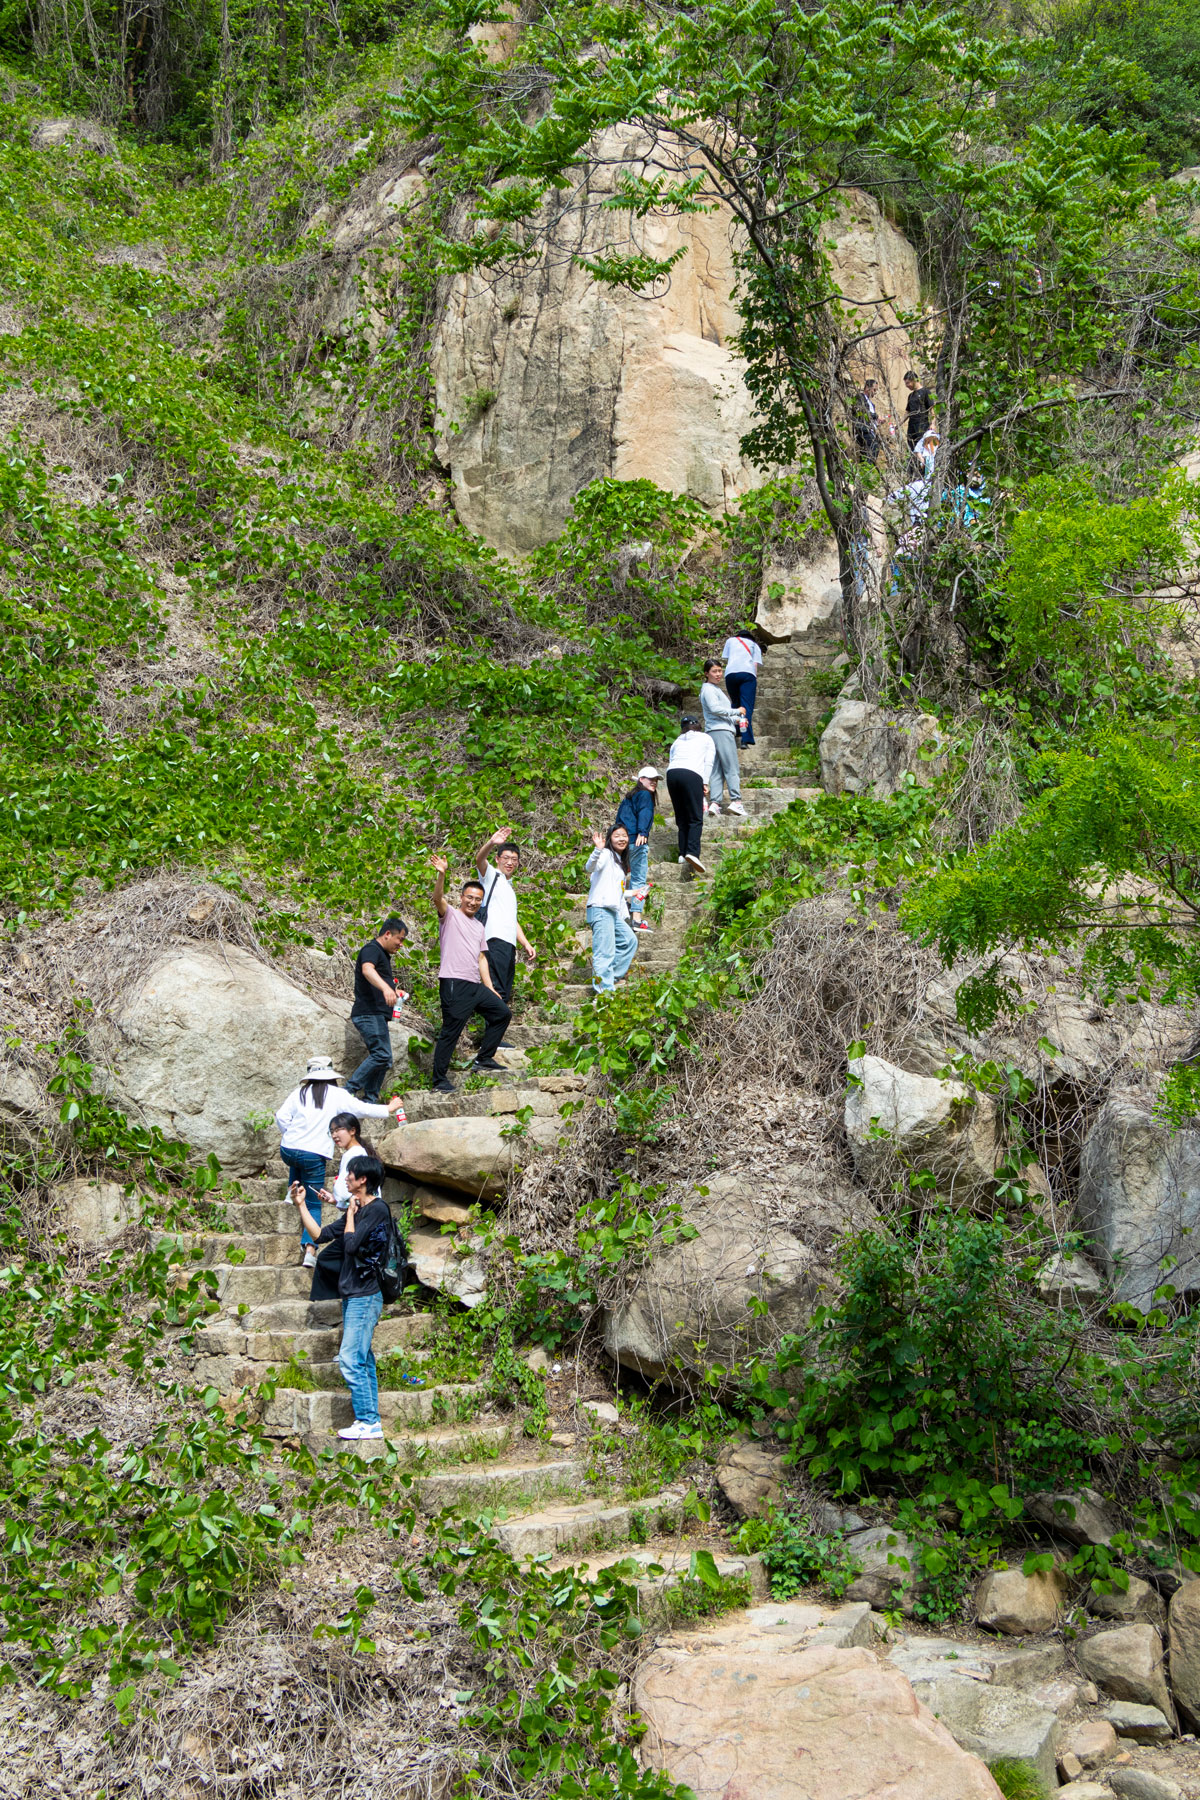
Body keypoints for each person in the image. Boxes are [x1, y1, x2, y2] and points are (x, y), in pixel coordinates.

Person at [289, 1154, 393, 1442]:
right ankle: (371, 1420)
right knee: (363, 1358)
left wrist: (347, 1214)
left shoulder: (376, 1210)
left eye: (350, 1174)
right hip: (353, 1295)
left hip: (365, 1294)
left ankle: (368, 1421)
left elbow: (349, 1245)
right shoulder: (357, 1211)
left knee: (349, 1358)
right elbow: (321, 1234)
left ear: (363, 1180)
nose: (345, 1178)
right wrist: (301, 1206)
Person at [275, 1057, 404, 1269]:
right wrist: (388, 1108)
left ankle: (293, 1192)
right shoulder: (336, 1094)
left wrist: (290, 1135)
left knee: (297, 1164)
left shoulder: (299, 1093)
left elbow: (281, 1116)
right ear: (331, 1076)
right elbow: (361, 1108)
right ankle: (310, 1249)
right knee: (314, 1202)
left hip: (288, 1149)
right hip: (313, 1154)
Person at [430, 854, 511, 1094]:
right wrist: (442, 874)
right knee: (451, 1032)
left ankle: (484, 1058)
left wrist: (490, 987)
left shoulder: (479, 926)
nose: (473, 902)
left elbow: (481, 958)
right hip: (454, 982)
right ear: (462, 898)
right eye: (470, 898)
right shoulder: (451, 915)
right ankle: (438, 1081)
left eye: (478, 900)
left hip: (475, 985)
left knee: (502, 1013)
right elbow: (437, 898)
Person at [472, 828, 536, 1030]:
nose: (510, 862)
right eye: (506, 858)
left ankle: (495, 1036)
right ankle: (491, 1039)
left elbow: (512, 919)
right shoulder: (492, 876)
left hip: (508, 944)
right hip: (494, 939)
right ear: (498, 859)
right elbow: (479, 860)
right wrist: (492, 842)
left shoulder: (509, 888)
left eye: (514, 859)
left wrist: (525, 942)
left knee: (504, 990)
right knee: (496, 987)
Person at [347, 918, 408, 1104]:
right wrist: (386, 988)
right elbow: (367, 970)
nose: (401, 944)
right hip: (368, 1013)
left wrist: (393, 990)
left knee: (385, 1059)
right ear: (388, 934)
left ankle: (370, 1100)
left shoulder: (382, 955)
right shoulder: (372, 949)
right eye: (400, 938)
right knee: (381, 1055)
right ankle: (347, 1092)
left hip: (376, 1015)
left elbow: (375, 976)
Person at [585, 824, 638, 992]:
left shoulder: (618, 861)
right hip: (600, 909)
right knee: (604, 952)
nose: (621, 839)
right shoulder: (606, 854)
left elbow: (617, 891)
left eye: (624, 835)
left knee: (630, 941)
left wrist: (634, 893)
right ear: (609, 839)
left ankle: (607, 978)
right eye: (617, 836)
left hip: (613, 912)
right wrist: (598, 850)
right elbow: (591, 867)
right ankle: (604, 992)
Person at [666, 715, 714, 876]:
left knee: (681, 816)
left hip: (672, 774)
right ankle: (692, 853)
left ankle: (682, 853)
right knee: (695, 816)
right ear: (699, 726)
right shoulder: (706, 738)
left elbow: (672, 759)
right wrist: (705, 782)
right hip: (692, 774)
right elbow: (709, 762)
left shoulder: (677, 741)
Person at [700, 657, 747, 817]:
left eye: (720, 671)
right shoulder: (708, 689)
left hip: (716, 730)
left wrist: (738, 720)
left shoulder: (715, 689)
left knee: (717, 769)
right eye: (714, 671)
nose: (718, 674)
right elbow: (714, 709)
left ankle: (715, 803)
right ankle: (736, 801)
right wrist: (736, 711)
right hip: (721, 732)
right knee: (731, 766)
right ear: (707, 673)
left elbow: (720, 713)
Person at [616, 767, 659, 931]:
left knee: (621, 875)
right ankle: (636, 918)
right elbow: (645, 812)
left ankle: (622, 909)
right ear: (641, 779)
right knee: (639, 879)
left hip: (623, 842)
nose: (654, 781)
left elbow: (620, 819)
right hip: (637, 841)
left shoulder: (629, 797)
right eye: (650, 779)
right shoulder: (645, 795)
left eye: (656, 779)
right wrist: (643, 831)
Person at [721, 631, 763, 745]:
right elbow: (755, 665)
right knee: (746, 707)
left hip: (730, 674)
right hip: (748, 674)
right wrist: (754, 680)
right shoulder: (755, 645)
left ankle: (736, 731)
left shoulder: (730, 641)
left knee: (735, 703)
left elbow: (726, 657)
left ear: (738, 636)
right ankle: (746, 738)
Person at [850, 379, 882, 463]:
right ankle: (868, 467)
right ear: (867, 388)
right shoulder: (859, 398)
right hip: (862, 429)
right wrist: (875, 416)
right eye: (874, 389)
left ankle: (865, 470)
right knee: (873, 446)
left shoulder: (871, 404)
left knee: (866, 451)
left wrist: (877, 422)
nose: (875, 392)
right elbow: (861, 411)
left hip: (870, 430)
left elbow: (869, 417)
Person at [903, 370, 935, 452]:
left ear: (914, 380)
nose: (907, 386)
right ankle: (915, 463)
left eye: (908, 383)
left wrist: (933, 423)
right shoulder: (911, 396)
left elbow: (932, 410)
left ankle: (923, 464)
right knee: (912, 446)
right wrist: (898, 424)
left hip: (922, 425)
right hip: (911, 426)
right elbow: (907, 412)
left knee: (922, 447)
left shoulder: (925, 392)